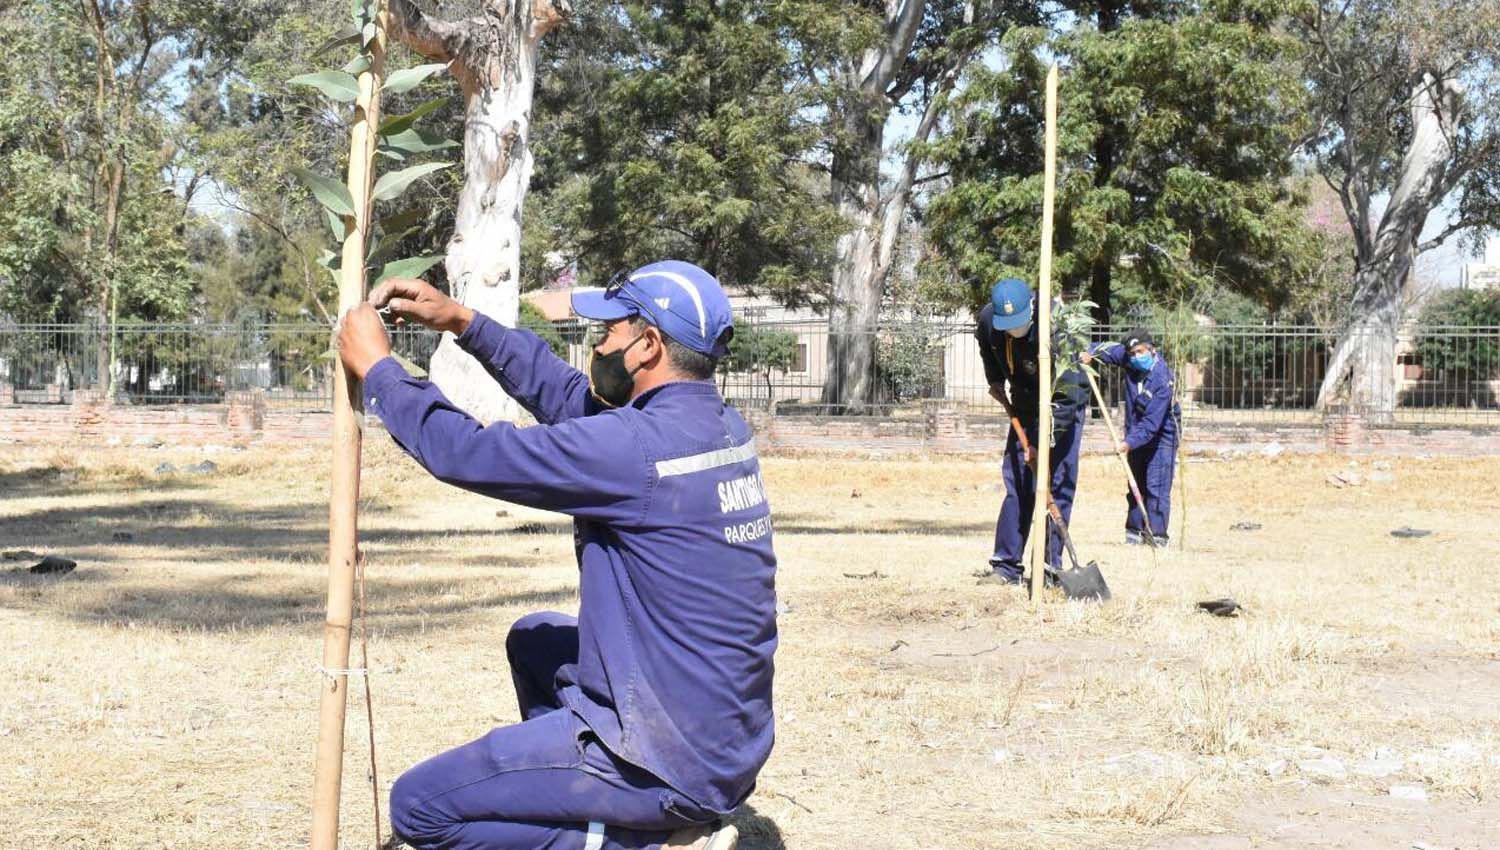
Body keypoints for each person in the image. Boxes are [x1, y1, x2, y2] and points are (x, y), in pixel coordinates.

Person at [336, 260, 774, 850]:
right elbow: (571, 399)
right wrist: (462, 321)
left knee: (419, 808)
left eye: (607, 333)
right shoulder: (714, 426)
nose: (597, 346)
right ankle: (613, 811)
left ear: (647, 347)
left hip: (665, 757)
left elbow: (465, 453)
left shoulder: (635, 451)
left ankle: (641, 840)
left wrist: (382, 371)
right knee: (536, 639)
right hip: (720, 736)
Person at [973, 277, 1090, 585]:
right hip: (1023, 405)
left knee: (1057, 486)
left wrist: (1047, 440)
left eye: (1019, 321)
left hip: (1060, 408)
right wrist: (995, 379)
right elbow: (987, 347)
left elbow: (1074, 392)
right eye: (1007, 323)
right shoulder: (989, 321)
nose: (1014, 328)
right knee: (1018, 483)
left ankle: (1049, 568)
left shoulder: (1057, 328)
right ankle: (1006, 566)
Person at [1082, 328, 1179, 546]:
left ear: (1152, 350)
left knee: (1157, 485)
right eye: (1132, 353)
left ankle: (1157, 536)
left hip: (1162, 433)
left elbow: (1151, 424)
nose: (1136, 357)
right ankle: (1134, 534)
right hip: (1136, 429)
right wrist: (1088, 352)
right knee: (1135, 481)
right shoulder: (1129, 358)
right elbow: (1104, 350)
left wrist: (1128, 443)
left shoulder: (1163, 380)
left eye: (1140, 351)